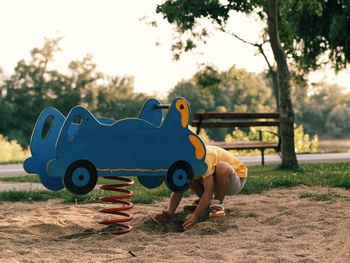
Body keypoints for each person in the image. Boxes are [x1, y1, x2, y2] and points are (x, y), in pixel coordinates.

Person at [155, 145, 248, 231]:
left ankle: (216, 205)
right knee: (188, 178)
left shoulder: (203, 159)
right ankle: (206, 204)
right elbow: (178, 190)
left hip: (235, 180)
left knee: (221, 167)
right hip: (214, 179)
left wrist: (196, 215)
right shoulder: (184, 162)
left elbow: (209, 191)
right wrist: (170, 213)